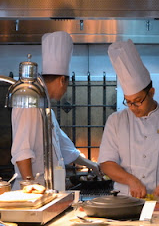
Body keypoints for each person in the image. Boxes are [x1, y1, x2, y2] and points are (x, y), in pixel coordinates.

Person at [98, 39, 159, 198]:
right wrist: (131, 181)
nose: (133, 107)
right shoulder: (116, 121)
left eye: (137, 101)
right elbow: (107, 163)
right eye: (128, 102)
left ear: (151, 93)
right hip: (125, 201)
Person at [10, 31, 102, 190]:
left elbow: (65, 149)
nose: (66, 90)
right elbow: (22, 151)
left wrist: (93, 165)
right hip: (31, 196)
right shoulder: (30, 101)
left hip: (47, 193)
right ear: (61, 80)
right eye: (67, 84)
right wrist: (30, 187)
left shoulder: (47, 110)